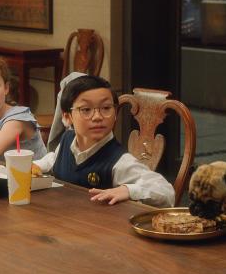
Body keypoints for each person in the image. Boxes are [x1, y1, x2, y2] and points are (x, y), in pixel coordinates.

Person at [33, 74, 175, 208]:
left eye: (106, 108)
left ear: (115, 114)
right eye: (86, 109)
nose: (97, 117)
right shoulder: (68, 139)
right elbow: (54, 158)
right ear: (67, 117)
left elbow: (166, 192)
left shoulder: (119, 162)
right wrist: (36, 166)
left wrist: (128, 190)